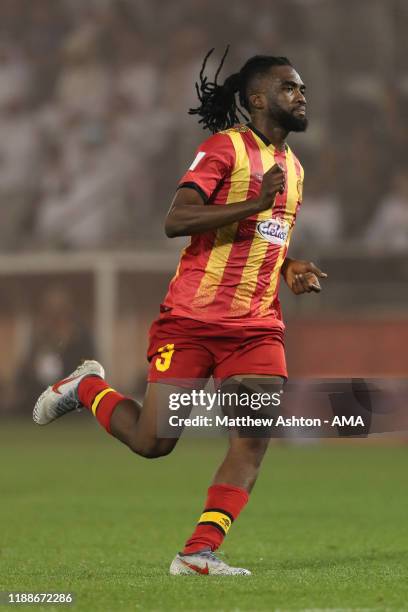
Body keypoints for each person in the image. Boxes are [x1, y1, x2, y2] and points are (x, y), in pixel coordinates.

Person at [33, 48, 327, 576]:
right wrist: (255, 205)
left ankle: (197, 553)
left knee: (253, 439)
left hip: (257, 325)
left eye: (303, 88)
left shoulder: (295, 170)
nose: (302, 95)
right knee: (153, 443)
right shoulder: (224, 149)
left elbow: (264, 238)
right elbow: (177, 219)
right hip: (192, 320)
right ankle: (85, 388)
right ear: (257, 99)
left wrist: (289, 268)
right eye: (290, 87)